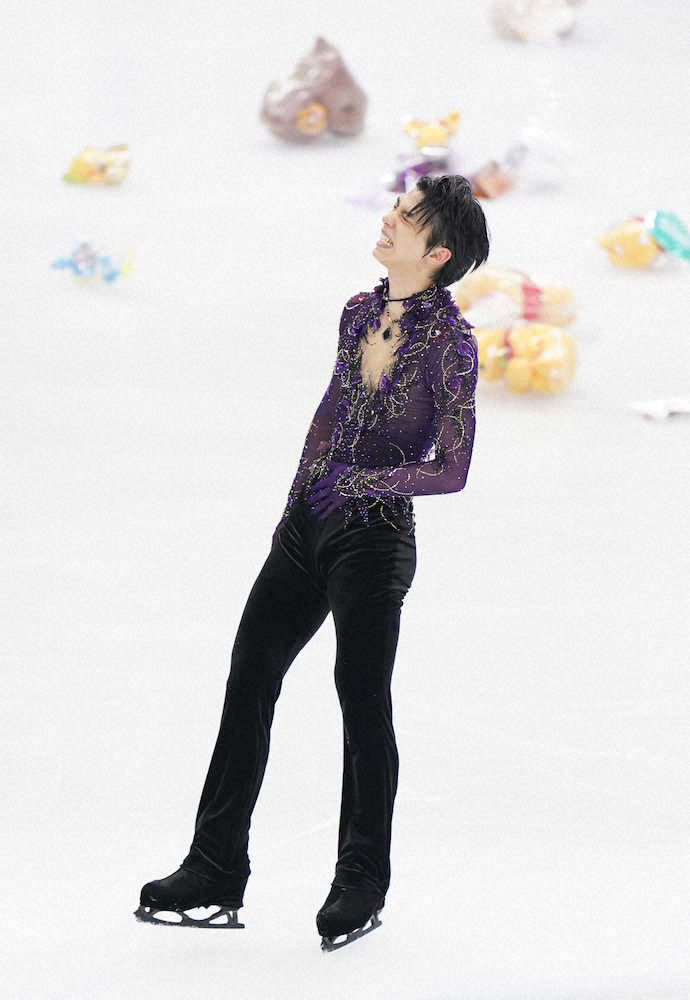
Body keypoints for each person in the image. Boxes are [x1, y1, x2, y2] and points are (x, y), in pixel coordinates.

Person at [135, 174, 490, 948]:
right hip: (309, 525)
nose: (388, 220)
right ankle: (214, 866)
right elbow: (330, 412)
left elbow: (452, 468)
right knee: (250, 677)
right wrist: (294, 509)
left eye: (406, 218)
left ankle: (361, 880)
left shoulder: (452, 347)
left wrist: (361, 482)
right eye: (394, 208)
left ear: (437, 253)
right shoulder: (359, 310)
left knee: (361, 699)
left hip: (374, 538)